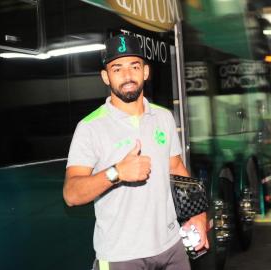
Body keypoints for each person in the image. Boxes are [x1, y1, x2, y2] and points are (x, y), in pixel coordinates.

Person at [63, 34, 208, 270]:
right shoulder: (89, 127)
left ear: (146, 72)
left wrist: (197, 216)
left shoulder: (164, 117)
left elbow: (177, 169)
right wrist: (116, 172)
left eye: (134, 66)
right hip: (122, 256)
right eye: (117, 68)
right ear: (105, 77)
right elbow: (71, 194)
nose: (127, 75)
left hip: (172, 249)